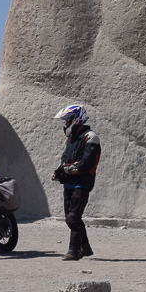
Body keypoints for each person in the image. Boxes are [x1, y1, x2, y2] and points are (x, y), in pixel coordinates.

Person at [51, 104, 101, 261]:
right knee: (71, 218)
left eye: (67, 121)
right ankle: (85, 247)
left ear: (76, 119)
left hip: (82, 184)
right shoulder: (71, 138)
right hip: (69, 184)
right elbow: (66, 159)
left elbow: (87, 164)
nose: (65, 124)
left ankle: (73, 251)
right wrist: (58, 172)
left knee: (73, 217)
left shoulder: (91, 137)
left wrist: (66, 170)